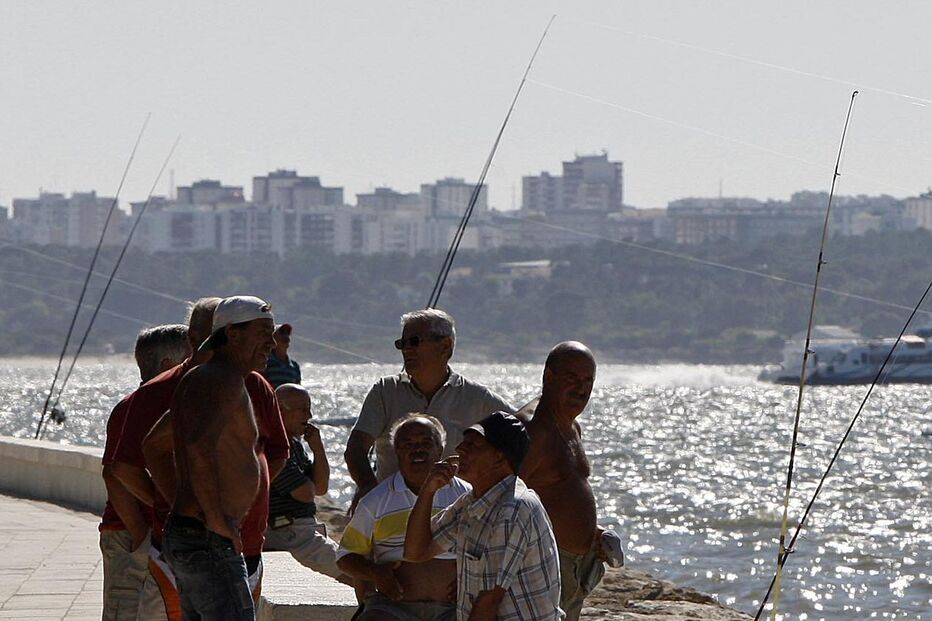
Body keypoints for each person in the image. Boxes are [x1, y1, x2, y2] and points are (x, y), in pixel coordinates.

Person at [161, 295, 278, 621]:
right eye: (263, 333)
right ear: (233, 334)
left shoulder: (203, 378)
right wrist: (214, 518)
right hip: (208, 538)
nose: (272, 342)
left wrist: (181, 504)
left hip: (193, 531)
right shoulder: (221, 381)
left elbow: (152, 446)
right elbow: (198, 446)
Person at [345, 309, 513, 509]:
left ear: (445, 345)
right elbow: (356, 448)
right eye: (402, 344)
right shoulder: (385, 391)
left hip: (455, 513)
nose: (406, 350)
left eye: (414, 341)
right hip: (393, 509)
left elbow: (521, 433)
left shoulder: (477, 397)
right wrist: (368, 489)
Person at [405, 411, 563, 621]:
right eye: (464, 443)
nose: (460, 449)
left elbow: (489, 602)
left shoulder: (513, 509)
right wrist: (428, 491)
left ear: (499, 458)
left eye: (472, 445)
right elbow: (416, 552)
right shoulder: (472, 502)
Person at [518, 341, 619, 621]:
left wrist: (592, 531)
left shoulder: (572, 425)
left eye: (588, 380)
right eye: (572, 378)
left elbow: (558, 492)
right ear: (549, 377)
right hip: (544, 564)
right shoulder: (532, 429)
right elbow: (503, 501)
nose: (582, 388)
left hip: (577, 569)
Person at [338, 414, 469, 621]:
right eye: (408, 444)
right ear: (396, 451)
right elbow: (346, 558)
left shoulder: (466, 496)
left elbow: (490, 550)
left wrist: (470, 579)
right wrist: (377, 573)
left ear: (441, 449)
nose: (417, 449)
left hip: (455, 609)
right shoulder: (376, 501)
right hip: (392, 609)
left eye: (426, 443)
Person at [100, 324, 190, 621]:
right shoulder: (135, 407)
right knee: (125, 609)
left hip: (152, 532)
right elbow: (115, 474)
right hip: (130, 532)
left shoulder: (162, 404)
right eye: (189, 358)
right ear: (168, 365)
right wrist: (142, 530)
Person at [264, 383, 347, 583]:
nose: (308, 415)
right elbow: (305, 493)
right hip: (288, 531)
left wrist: (318, 449)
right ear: (281, 411)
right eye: (302, 409)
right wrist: (308, 482)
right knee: (350, 572)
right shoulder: (275, 445)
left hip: (300, 530)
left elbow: (320, 488)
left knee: (352, 567)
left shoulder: (294, 444)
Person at [263, 323, 301, 388]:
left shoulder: (295, 366)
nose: (286, 336)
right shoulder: (265, 361)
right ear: (273, 338)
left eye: (288, 333)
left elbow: (298, 390)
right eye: (282, 332)